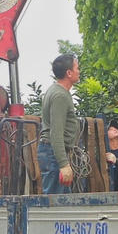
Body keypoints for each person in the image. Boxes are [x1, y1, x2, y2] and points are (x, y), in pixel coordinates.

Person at [38, 53, 80, 194]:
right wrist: (63, 164)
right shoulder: (60, 96)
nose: (79, 71)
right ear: (69, 73)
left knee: (62, 205)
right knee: (55, 205)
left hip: (52, 152)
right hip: (53, 154)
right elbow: (56, 133)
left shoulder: (56, 91)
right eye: (77, 68)